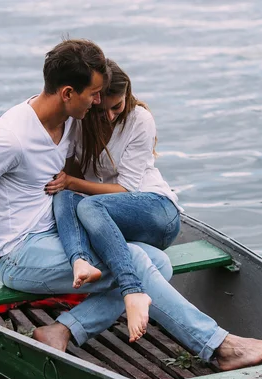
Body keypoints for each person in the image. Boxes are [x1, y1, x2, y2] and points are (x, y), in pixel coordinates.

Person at [0, 39, 262, 372]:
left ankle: (63, 329)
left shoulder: (68, 120)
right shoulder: (10, 137)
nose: (100, 103)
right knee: (134, 262)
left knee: (161, 263)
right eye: (94, 95)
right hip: (19, 253)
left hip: (61, 238)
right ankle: (219, 346)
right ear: (68, 92)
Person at [45, 59, 183, 342]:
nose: (108, 116)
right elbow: (66, 175)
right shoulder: (80, 121)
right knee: (66, 198)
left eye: (116, 107)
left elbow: (126, 189)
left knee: (86, 203)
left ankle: (132, 291)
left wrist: (72, 182)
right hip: (109, 219)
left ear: (127, 95)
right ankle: (80, 264)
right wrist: (64, 184)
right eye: (101, 110)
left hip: (155, 211)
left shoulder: (139, 119)